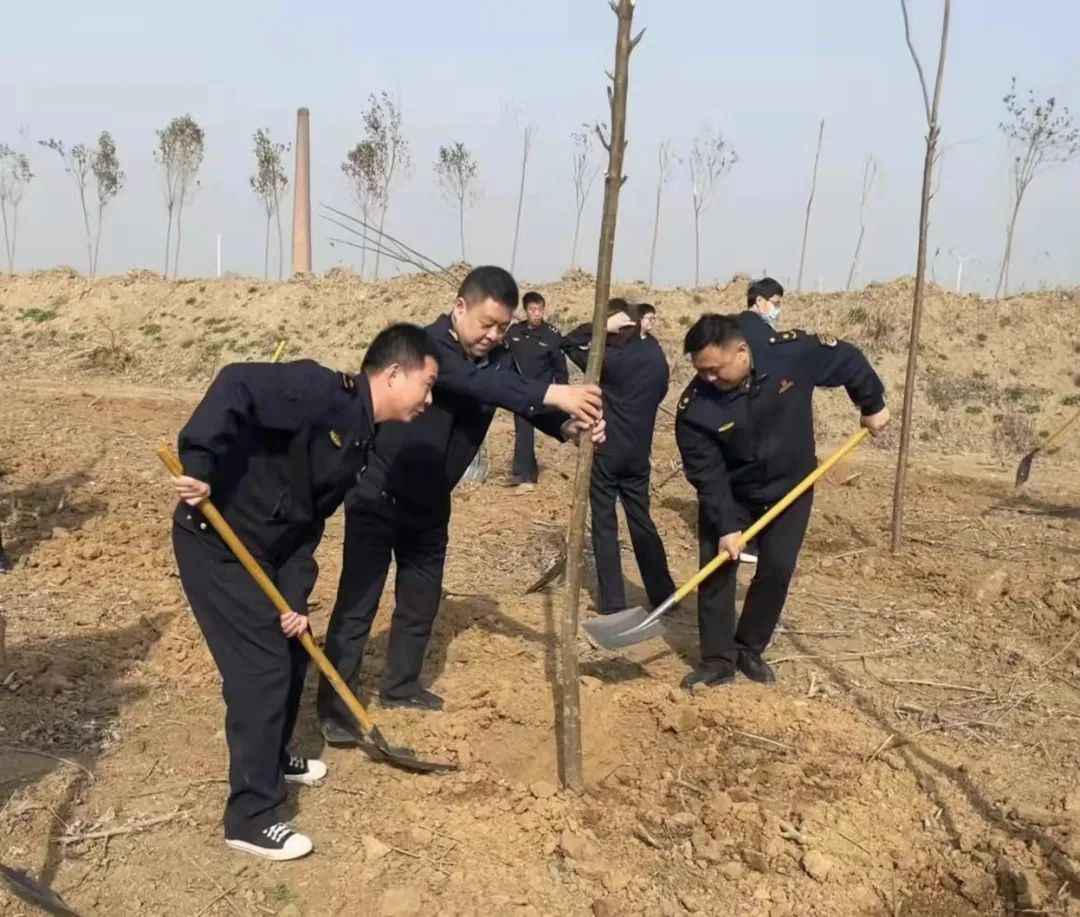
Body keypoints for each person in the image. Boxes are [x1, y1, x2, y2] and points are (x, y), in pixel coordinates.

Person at [168, 324, 439, 861]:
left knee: (291, 645)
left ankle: (274, 755)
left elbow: (308, 522)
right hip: (216, 538)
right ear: (392, 374)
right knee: (261, 670)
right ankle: (250, 815)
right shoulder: (321, 390)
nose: (429, 401)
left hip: (269, 550)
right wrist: (199, 463)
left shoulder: (362, 435)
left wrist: (293, 599)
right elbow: (236, 383)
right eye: (426, 386)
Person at [318, 266, 604, 739]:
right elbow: (480, 387)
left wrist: (569, 427)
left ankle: (402, 684)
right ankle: (335, 709)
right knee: (357, 602)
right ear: (459, 309)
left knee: (420, 599)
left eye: (502, 327)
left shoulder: (499, 357)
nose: (494, 335)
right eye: (486, 324)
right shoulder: (429, 348)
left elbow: (519, 400)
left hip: (432, 502)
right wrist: (559, 391)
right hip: (378, 492)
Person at [675, 313, 890, 690]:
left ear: (741, 352)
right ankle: (717, 660)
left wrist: (871, 404)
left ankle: (748, 647)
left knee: (776, 569)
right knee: (717, 572)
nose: (707, 379)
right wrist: (726, 526)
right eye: (700, 371)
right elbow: (707, 476)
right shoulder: (696, 409)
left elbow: (847, 360)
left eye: (714, 369)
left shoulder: (789, 355)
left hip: (792, 486)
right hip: (733, 494)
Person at [563, 302, 675, 614]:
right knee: (641, 521)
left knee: (604, 525)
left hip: (606, 451)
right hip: (640, 452)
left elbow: (568, 342)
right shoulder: (654, 353)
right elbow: (662, 390)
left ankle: (613, 602)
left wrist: (599, 327)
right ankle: (664, 594)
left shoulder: (608, 359)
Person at [506, 291, 569, 484]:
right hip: (520, 390)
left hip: (543, 391)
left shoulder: (551, 335)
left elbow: (560, 367)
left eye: (540, 309)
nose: (536, 314)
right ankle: (525, 475)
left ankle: (525, 475)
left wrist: (563, 392)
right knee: (523, 430)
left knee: (562, 427)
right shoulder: (514, 332)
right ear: (525, 311)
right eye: (532, 310)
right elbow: (504, 356)